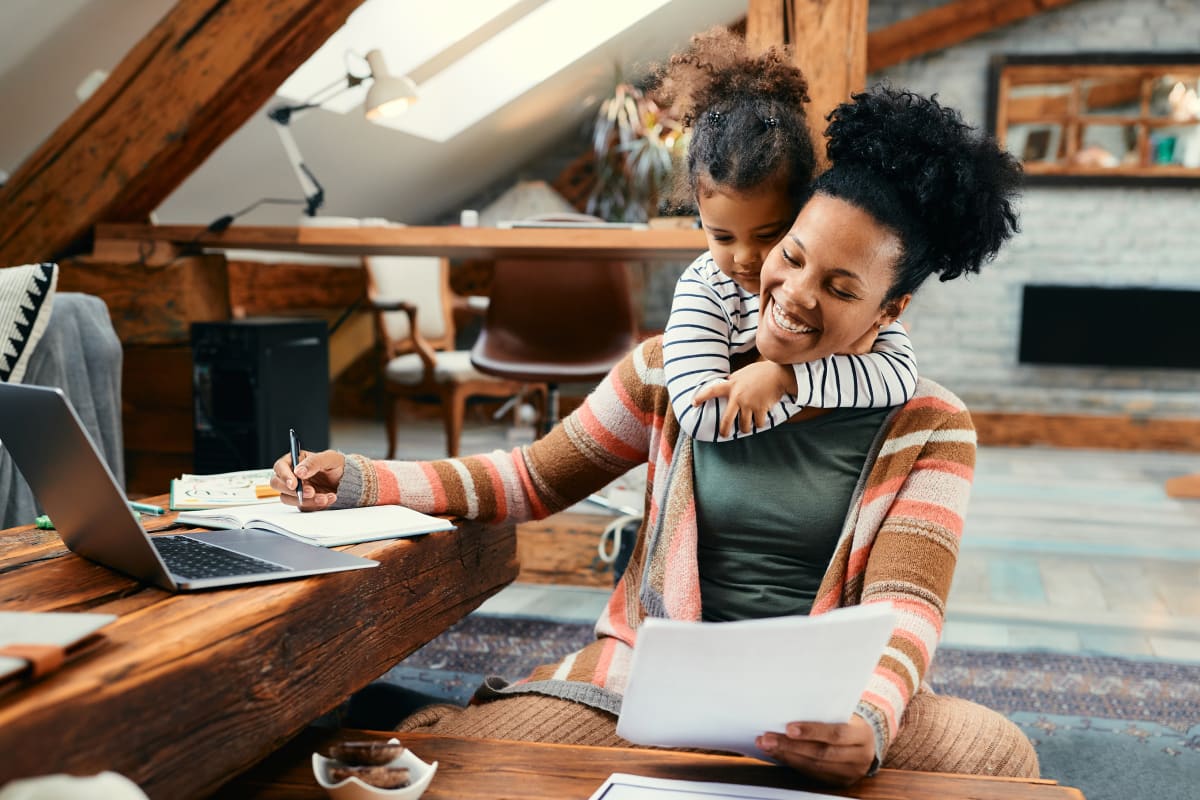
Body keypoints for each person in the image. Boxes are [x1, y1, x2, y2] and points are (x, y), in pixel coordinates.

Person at [273, 84, 1031, 786]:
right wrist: (363, 481)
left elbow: (908, 609)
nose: (793, 294)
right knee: (461, 761)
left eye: (839, 288)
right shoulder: (672, 374)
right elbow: (529, 478)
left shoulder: (931, 425)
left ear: (889, 311)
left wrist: (868, 720)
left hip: (821, 705)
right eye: (790, 255)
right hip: (649, 686)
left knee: (1001, 759)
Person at [655, 29, 917, 441]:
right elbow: (702, 414)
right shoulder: (704, 290)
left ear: (801, 214)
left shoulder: (852, 305)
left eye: (769, 235)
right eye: (721, 237)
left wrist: (784, 380)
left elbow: (899, 377)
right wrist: (802, 382)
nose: (744, 257)